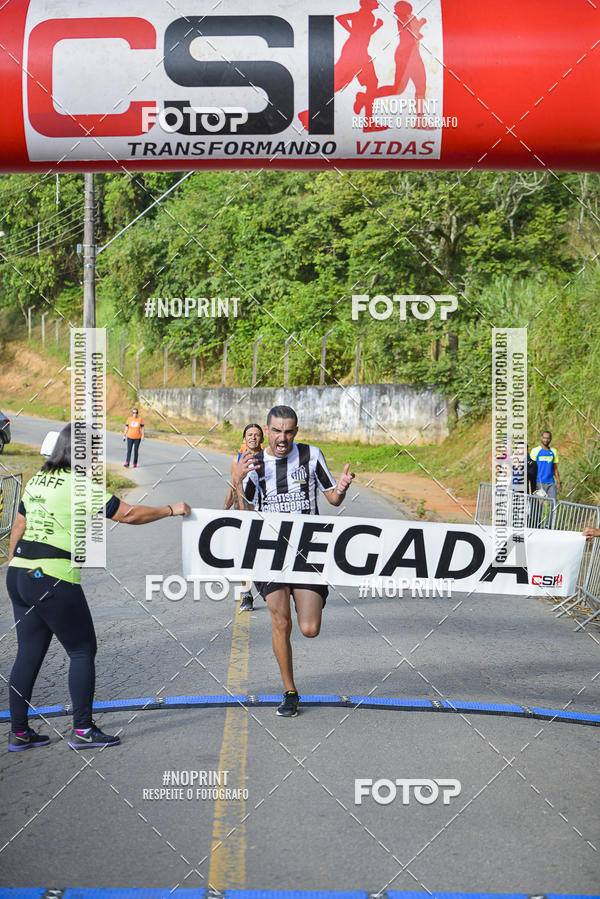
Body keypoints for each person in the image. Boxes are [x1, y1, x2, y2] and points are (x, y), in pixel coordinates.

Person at [6, 423, 190, 752]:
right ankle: (82, 730)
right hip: (53, 576)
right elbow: (129, 514)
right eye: (92, 450)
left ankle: (18, 732)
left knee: (28, 654)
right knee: (82, 650)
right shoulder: (79, 485)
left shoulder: (38, 480)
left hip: (19, 573)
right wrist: (172, 509)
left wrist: (17, 567)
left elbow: (18, 526)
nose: (96, 456)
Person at [230, 405, 355, 717]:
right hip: (269, 552)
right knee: (280, 622)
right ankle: (290, 691)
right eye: (276, 431)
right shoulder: (253, 462)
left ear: (295, 432)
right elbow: (243, 514)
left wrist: (340, 488)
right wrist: (237, 480)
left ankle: (304, 597)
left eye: (288, 432)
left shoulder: (311, 455)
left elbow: (332, 498)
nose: (281, 438)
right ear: (267, 431)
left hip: (308, 551)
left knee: (309, 628)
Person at [223, 423, 264, 612]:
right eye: (249, 435)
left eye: (257, 435)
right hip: (242, 514)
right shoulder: (236, 460)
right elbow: (233, 487)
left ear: (262, 439)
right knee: (243, 555)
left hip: (264, 514)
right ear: (244, 439)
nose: (253, 438)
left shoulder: (269, 459)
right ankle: (247, 594)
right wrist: (223, 510)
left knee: (263, 555)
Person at [530, 431, 562, 502]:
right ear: (541, 438)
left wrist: (559, 482)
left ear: (550, 439)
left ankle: (551, 514)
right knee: (538, 506)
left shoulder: (554, 451)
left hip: (550, 483)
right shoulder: (535, 450)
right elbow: (531, 468)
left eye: (548, 438)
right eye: (544, 438)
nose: (546, 440)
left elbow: (555, 468)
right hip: (538, 483)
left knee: (553, 504)